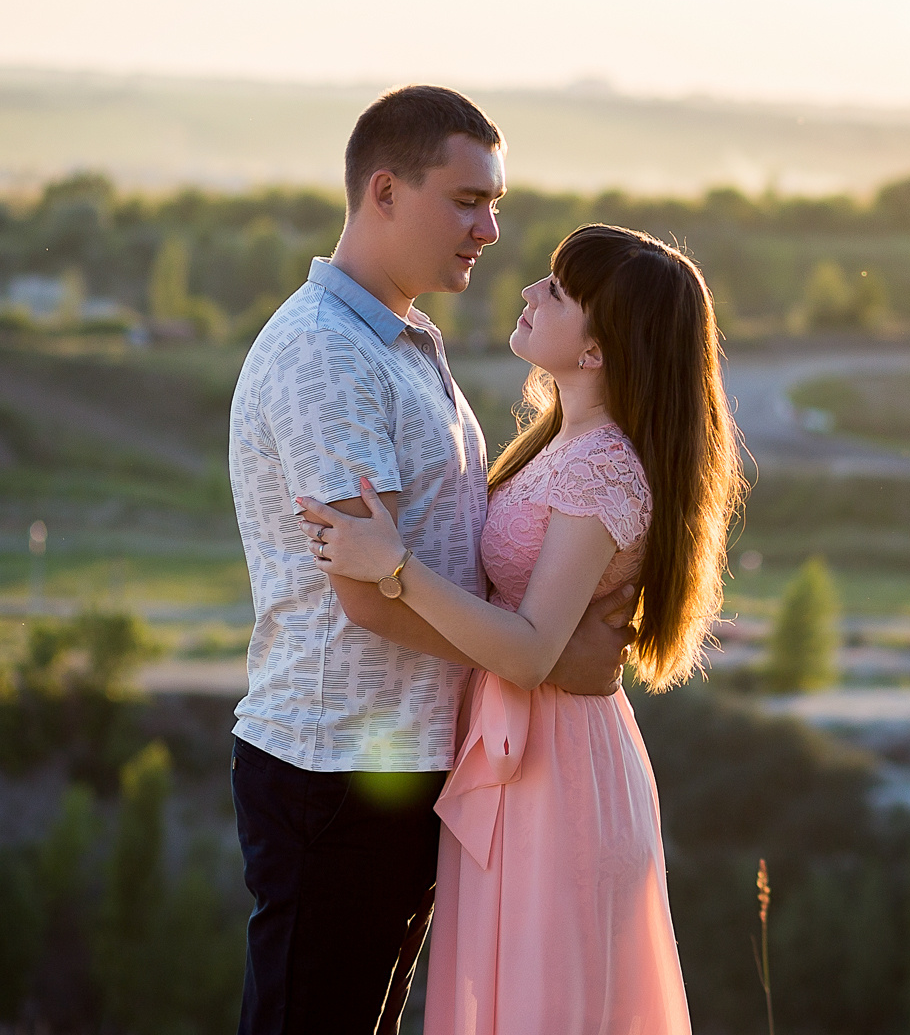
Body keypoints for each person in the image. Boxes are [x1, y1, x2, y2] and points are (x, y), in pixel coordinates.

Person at [228, 86, 638, 1035]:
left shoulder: (404, 339)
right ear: (384, 191)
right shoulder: (326, 354)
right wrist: (541, 656)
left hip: (405, 759)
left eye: (494, 201)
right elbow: (367, 596)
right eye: (466, 200)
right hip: (334, 766)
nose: (492, 227)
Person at [302, 223, 742, 1035]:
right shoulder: (562, 445)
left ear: (599, 350)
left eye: (560, 291)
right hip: (525, 752)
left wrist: (392, 565)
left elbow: (535, 648)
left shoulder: (604, 469)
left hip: (558, 770)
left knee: (544, 1005)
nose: (533, 293)